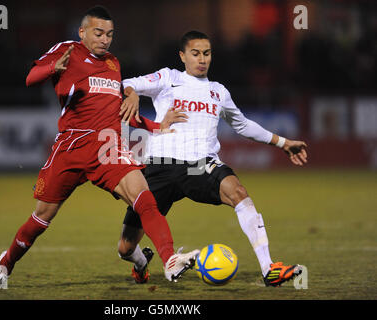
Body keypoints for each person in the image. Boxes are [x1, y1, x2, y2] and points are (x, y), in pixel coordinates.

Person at [0, 6, 199, 290]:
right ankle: (6, 263)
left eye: (110, 34)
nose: (105, 39)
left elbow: (120, 112)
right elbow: (30, 77)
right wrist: (54, 68)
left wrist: (156, 125)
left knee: (144, 197)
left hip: (107, 148)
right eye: (98, 33)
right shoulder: (68, 51)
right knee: (41, 218)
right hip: (71, 147)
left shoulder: (113, 64)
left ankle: (170, 259)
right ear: (82, 32)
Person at [117, 30, 308, 287]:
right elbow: (126, 82)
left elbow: (242, 125)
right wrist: (131, 93)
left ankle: (268, 268)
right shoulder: (168, 78)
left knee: (238, 192)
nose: (202, 59)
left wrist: (283, 143)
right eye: (195, 53)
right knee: (126, 247)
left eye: (206, 53)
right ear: (183, 56)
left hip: (199, 165)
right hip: (160, 167)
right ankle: (141, 264)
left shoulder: (219, 92)